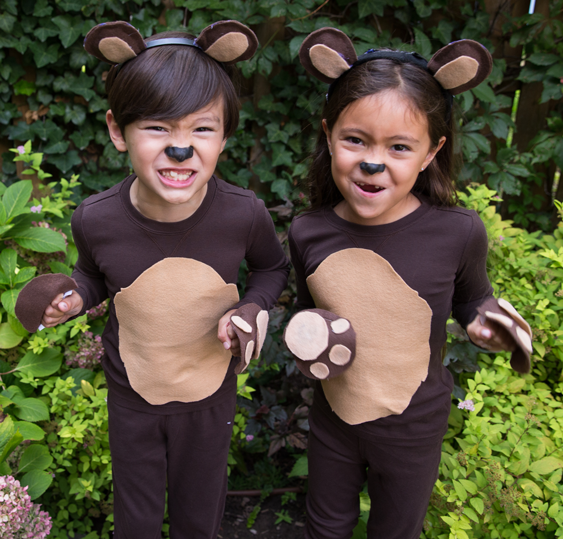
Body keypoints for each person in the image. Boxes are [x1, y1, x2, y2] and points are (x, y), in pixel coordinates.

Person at [34, 20, 289, 539]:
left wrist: (251, 309)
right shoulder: (96, 219)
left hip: (209, 396)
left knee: (200, 515)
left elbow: (271, 268)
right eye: (157, 127)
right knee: (137, 518)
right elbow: (94, 275)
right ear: (117, 130)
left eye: (202, 129)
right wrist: (75, 298)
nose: (181, 148)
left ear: (225, 134)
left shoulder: (243, 214)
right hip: (133, 397)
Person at [283, 28, 532, 539]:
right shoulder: (308, 232)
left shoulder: (457, 232)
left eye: (399, 146)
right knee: (324, 527)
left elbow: (473, 299)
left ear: (431, 152)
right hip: (334, 419)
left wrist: (485, 323)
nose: (373, 162)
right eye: (355, 140)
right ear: (328, 134)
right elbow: (310, 312)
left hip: (413, 428)